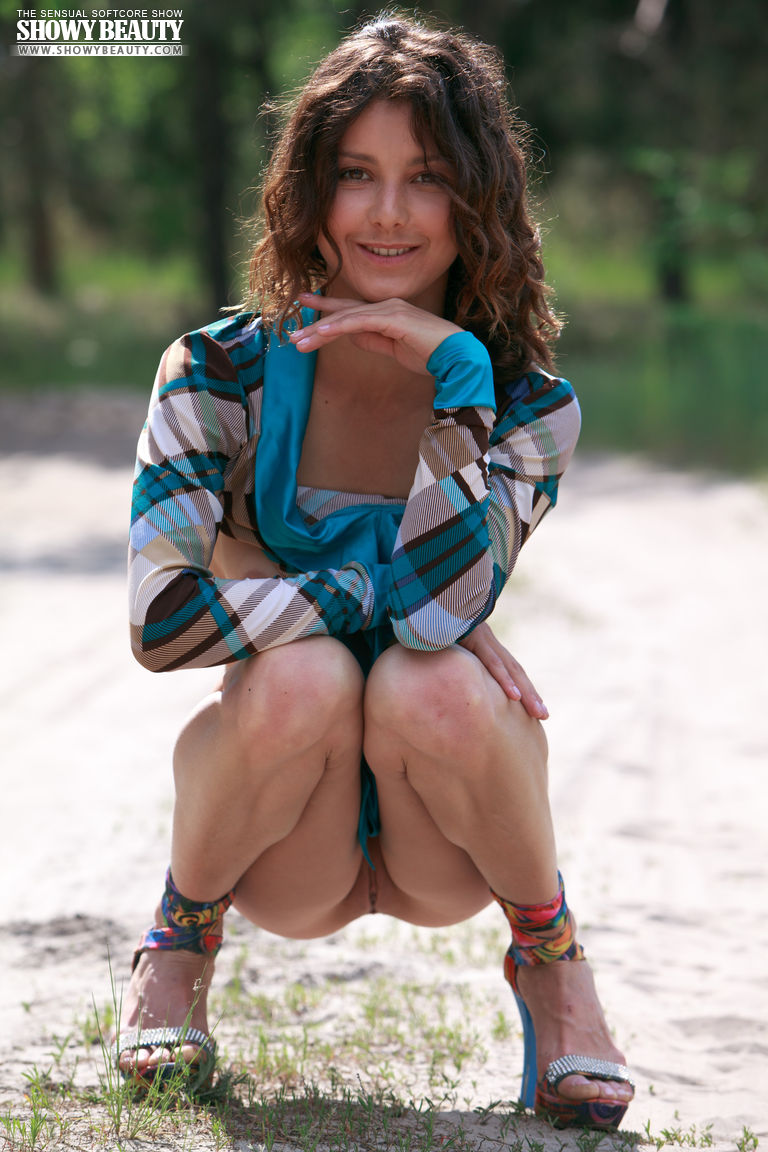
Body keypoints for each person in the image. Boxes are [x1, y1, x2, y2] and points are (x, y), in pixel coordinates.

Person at [117, 12, 634, 1129]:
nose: (389, 212)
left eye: (427, 177)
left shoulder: (527, 407)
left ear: (477, 199)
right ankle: (180, 942)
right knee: (307, 676)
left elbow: (438, 624)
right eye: (357, 174)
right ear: (310, 192)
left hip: (444, 841)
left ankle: (553, 966)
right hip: (283, 839)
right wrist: (372, 592)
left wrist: (458, 375)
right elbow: (161, 621)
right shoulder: (215, 375)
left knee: (431, 682)